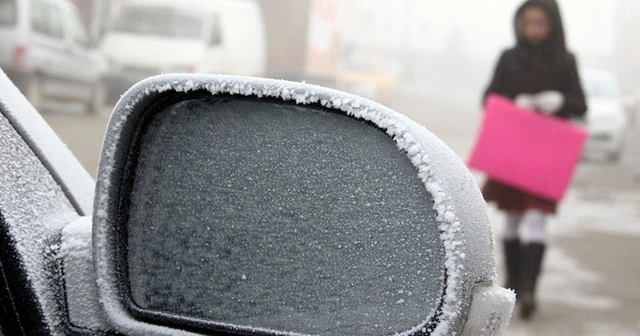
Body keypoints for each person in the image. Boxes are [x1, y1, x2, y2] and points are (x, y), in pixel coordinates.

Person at [482, 0, 587, 320]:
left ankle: (529, 288)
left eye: (540, 23)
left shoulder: (565, 61)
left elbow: (580, 103)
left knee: (538, 220)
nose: (533, 29)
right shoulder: (508, 58)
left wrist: (558, 101)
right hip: (513, 153)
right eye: (527, 22)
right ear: (518, 24)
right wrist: (515, 103)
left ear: (553, 24)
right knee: (512, 218)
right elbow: (488, 97)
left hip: (545, 157)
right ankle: (513, 283)